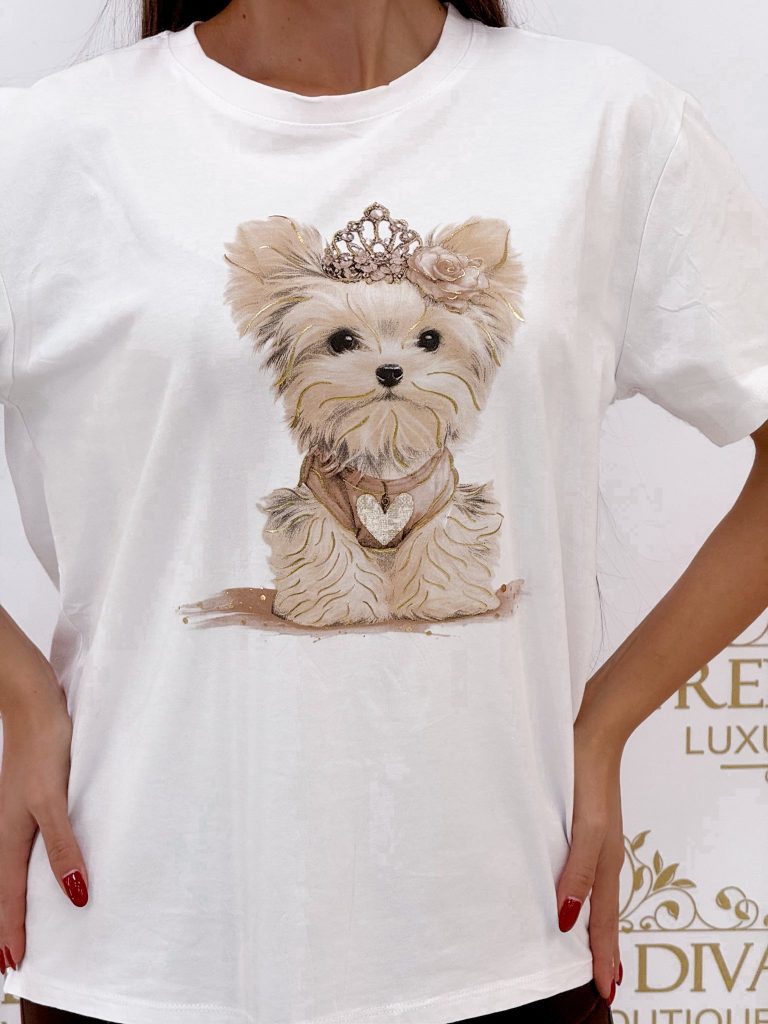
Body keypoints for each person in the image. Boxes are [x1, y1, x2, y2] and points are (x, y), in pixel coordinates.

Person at [1, 0, 767, 1022]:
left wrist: (607, 721)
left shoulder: (607, 124)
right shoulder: (47, 147)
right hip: (140, 940)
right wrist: (24, 695)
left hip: (506, 933)